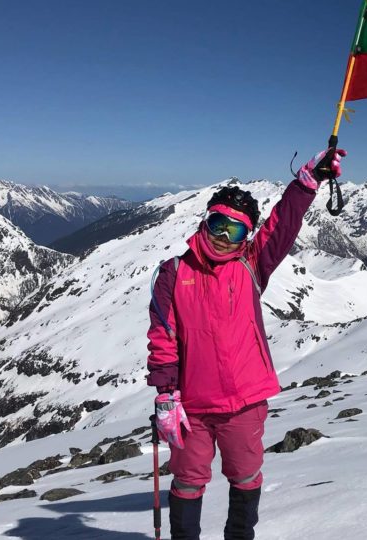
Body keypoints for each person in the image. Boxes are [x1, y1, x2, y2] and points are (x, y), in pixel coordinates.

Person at [147, 148, 347, 540]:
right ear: (206, 222)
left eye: (234, 230)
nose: (223, 237)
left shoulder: (251, 265)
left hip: (245, 402)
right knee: (187, 482)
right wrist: (166, 394)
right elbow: (163, 336)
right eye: (218, 224)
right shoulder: (173, 273)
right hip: (192, 407)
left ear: (246, 235)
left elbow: (282, 226)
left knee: (245, 477)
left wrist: (307, 183)